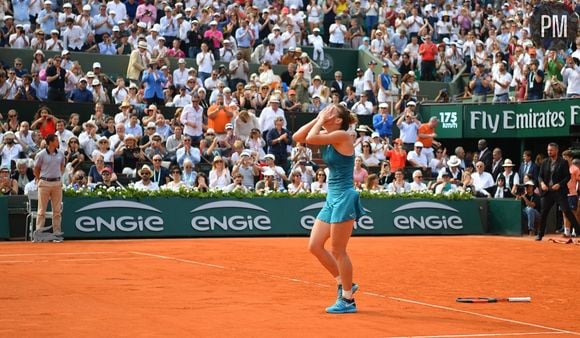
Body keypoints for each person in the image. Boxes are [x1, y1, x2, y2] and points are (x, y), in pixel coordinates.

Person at [294, 104, 364, 314]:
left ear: (338, 120)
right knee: (315, 246)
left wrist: (319, 120)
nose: (326, 111)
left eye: (330, 111)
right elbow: (299, 136)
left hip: (344, 197)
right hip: (331, 198)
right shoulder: (329, 133)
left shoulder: (342, 135)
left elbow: (310, 139)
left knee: (338, 250)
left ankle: (348, 300)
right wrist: (319, 118)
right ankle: (346, 283)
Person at [537, 143, 580, 242]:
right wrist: (542, 183)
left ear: (556, 150)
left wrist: (559, 184)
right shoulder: (544, 162)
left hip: (559, 191)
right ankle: (540, 234)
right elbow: (539, 176)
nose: (549, 152)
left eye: (551, 150)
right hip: (547, 192)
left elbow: (567, 177)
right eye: (548, 150)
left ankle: (578, 231)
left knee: (567, 211)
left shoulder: (563, 162)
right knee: (544, 213)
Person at [32, 134, 65, 243]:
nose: (58, 142)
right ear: (50, 142)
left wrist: (58, 177)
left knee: (57, 211)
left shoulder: (61, 153)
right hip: (44, 183)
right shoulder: (41, 154)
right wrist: (39, 179)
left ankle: (56, 235)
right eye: (56, 140)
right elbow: (36, 169)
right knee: (41, 211)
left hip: (56, 184)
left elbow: (62, 167)